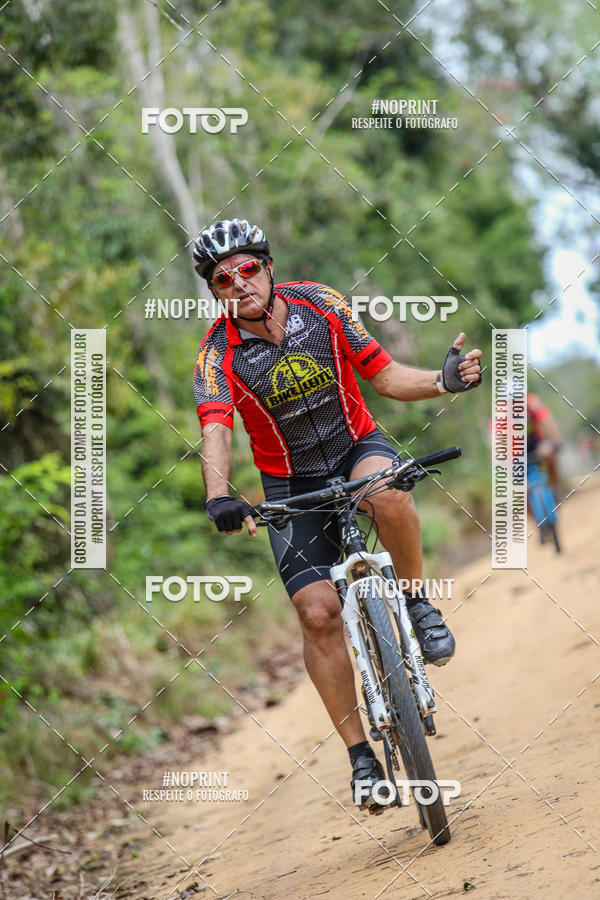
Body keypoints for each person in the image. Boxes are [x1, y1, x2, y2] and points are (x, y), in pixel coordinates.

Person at [192, 218, 483, 813]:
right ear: (216, 291)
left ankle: (417, 599)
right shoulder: (215, 354)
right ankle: (360, 759)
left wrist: (441, 381)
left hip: (355, 445)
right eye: (224, 278)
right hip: (289, 479)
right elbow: (216, 428)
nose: (239, 283)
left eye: (248, 268)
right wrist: (218, 494)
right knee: (317, 612)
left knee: (387, 492)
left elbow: (383, 376)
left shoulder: (321, 304)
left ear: (268, 266)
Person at [527, 393, 562, 495]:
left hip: (537, 442)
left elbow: (548, 420)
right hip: (515, 449)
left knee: (550, 454)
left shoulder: (531, 402)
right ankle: (531, 510)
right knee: (521, 489)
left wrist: (556, 442)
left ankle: (555, 487)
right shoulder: (501, 413)